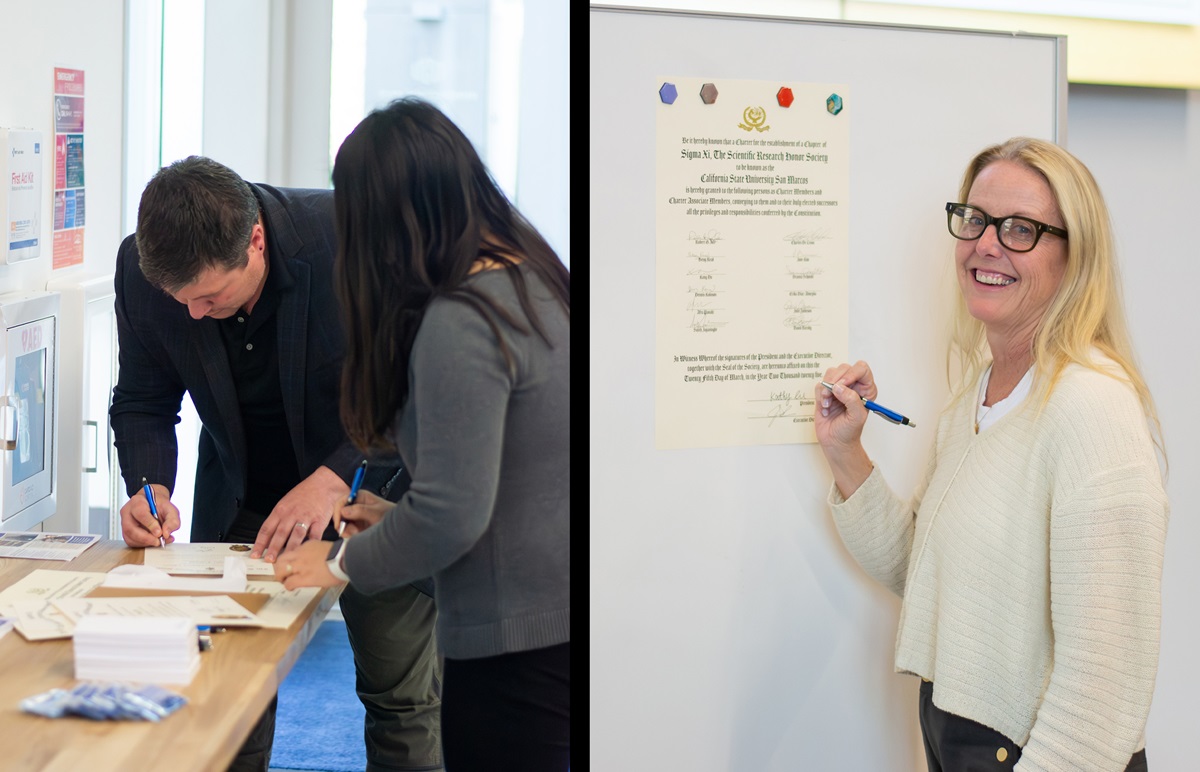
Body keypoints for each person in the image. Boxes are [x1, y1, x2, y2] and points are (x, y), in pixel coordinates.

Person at [814, 137, 1167, 772]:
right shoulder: (975, 394)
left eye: (1021, 229)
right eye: (974, 220)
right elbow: (927, 571)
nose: (986, 244)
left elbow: (1104, 690)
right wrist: (847, 453)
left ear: (1074, 256)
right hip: (962, 742)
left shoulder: (1093, 409)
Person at [109, 156, 443, 772]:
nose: (193, 314)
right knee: (228, 688)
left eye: (209, 297)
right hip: (243, 496)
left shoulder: (354, 242)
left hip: (373, 487)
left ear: (255, 241)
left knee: (398, 695)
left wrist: (338, 475)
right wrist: (148, 486)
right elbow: (142, 400)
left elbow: (418, 383)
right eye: (180, 300)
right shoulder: (144, 270)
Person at [274, 97, 570, 771]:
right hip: (554, 622)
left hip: (511, 645)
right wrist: (396, 516)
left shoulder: (462, 320)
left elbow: (451, 515)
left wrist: (340, 562)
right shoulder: (535, 280)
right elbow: (515, 478)